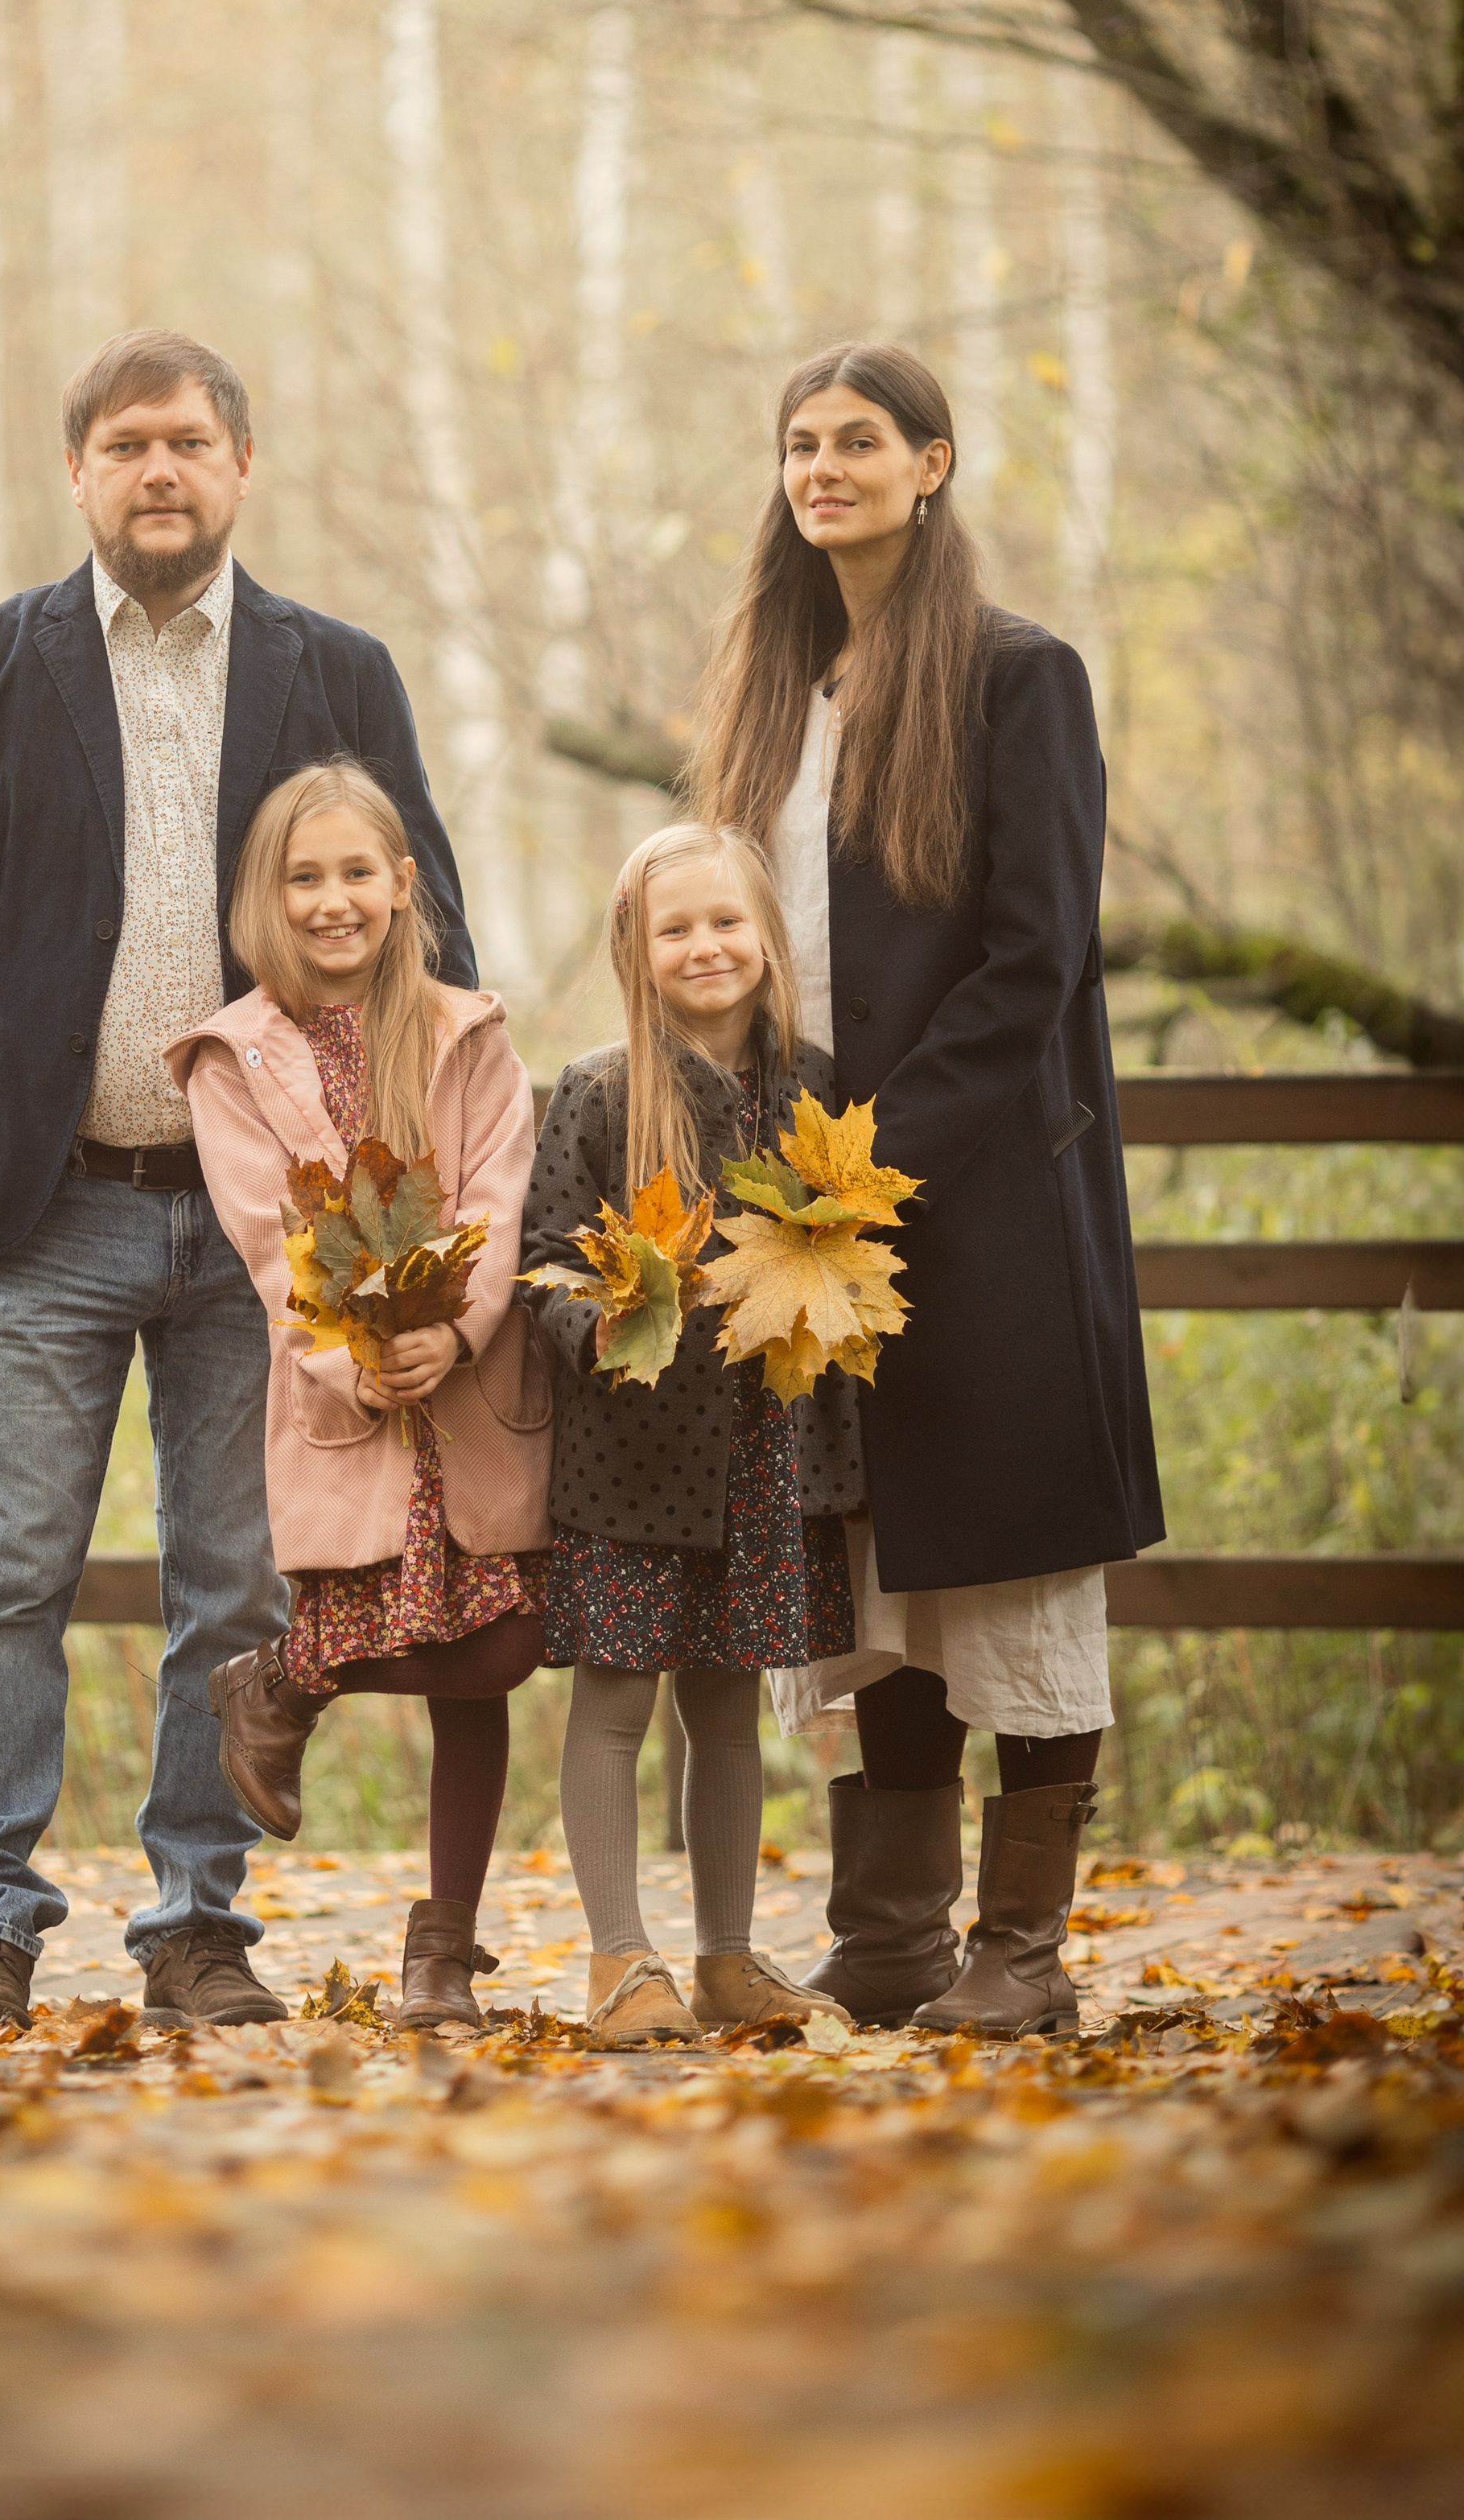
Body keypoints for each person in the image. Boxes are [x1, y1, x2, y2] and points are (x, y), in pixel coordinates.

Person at [0, 328, 476, 2032]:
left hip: (273, 1221)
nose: (157, 471)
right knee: (9, 1567)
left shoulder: (335, 666)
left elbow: (428, 923)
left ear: (239, 466)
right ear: (79, 476)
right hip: (37, 1199)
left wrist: (420, 1181)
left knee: (232, 1588)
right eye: (124, 446)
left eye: (186, 441)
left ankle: (197, 1922)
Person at [690, 341, 1164, 2040]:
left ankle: (1018, 1949)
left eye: (860, 440)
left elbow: (1034, 957)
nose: (824, 466)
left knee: (1013, 1558)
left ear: (932, 464)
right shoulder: (770, 685)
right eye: (801, 442)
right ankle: (888, 1935)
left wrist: (870, 1167)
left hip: (976, 1197)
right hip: (801, 1207)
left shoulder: (1016, 677)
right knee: (874, 1558)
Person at [167, 760, 551, 2032]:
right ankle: (285, 1676)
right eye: (303, 876)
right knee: (454, 1657)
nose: (332, 901)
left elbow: (499, 1199)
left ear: (400, 883)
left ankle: (442, 1949)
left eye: (354, 873)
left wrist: (462, 1325)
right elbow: (276, 1250)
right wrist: (362, 1357)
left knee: (496, 1653)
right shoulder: (233, 1059)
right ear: (267, 898)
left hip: (471, 1392)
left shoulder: (466, 1032)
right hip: (353, 1406)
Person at [520, 824, 862, 2046]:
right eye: (678, 927)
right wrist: (607, 1329)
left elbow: (852, 1253)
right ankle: (621, 1961)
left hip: (767, 1446)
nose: (707, 946)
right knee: (616, 1699)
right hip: (630, 1449)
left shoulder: (814, 1087)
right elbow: (542, 1263)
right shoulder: (603, 1091)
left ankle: (724, 1957)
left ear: (768, 936)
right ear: (637, 947)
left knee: (726, 1704)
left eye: (728, 921)